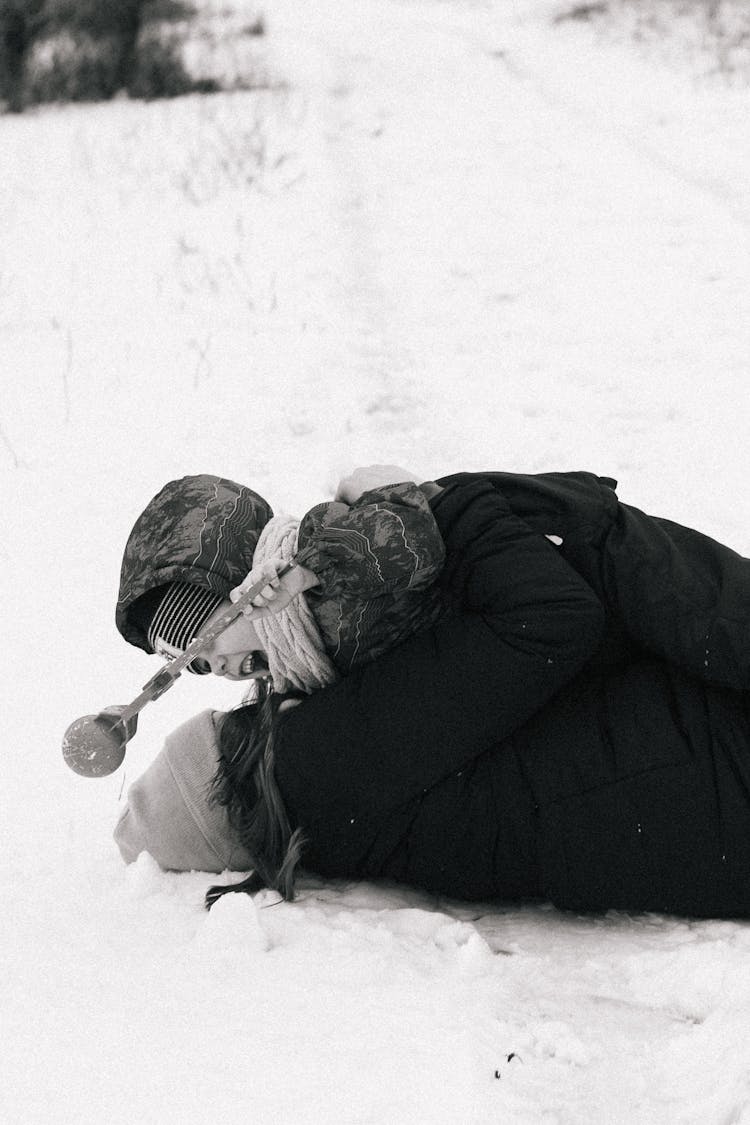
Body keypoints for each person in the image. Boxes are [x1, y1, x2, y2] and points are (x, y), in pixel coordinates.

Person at [115, 479, 750, 919]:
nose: (214, 669)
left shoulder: (333, 666)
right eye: (189, 663)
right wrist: (453, 502)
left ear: (249, 584)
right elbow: (555, 618)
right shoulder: (328, 745)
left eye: (195, 634)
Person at [115, 469, 447, 694]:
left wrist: (312, 569)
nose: (216, 668)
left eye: (205, 643)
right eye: (199, 667)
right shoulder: (293, 672)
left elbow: (411, 536)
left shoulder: (312, 545)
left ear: (236, 588)